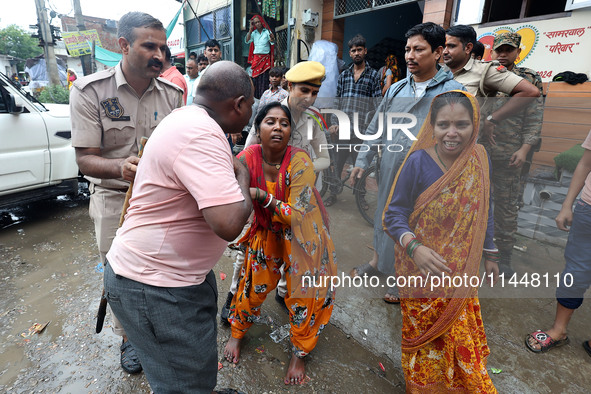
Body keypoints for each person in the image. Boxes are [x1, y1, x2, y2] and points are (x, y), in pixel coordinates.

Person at [104, 61, 254, 393]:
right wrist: (243, 177)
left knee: (182, 371)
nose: (252, 110)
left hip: (157, 280)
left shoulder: (186, 118)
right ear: (240, 104)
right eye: (252, 104)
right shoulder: (202, 133)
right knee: (182, 381)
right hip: (155, 288)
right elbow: (229, 224)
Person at [70, 11, 183, 374]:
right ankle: (128, 338)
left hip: (159, 201)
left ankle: (159, 331)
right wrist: (122, 167)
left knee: (160, 271)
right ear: (123, 45)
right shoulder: (90, 91)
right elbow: (86, 160)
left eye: (163, 47)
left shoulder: (173, 95)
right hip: (112, 197)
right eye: (149, 46)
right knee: (120, 275)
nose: (160, 55)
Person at [384, 91, 499, 392]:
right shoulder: (417, 163)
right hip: (420, 273)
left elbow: (484, 209)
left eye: (461, 124)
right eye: (443, 124)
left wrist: (491, 254)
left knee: (460, 343)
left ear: (474, 126)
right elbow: (394, 214)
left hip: (461, 274)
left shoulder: (479, 160)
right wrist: (414, 248)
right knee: (425, 344)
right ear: (431, 127)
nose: (451, 133)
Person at [348, 22, 465, 304]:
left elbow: (460, 134)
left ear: (437, 52)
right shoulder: (396, 89)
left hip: (429, 174)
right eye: (407, 49)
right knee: (384, 216)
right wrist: (363, 159)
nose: (410, 56)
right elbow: (377, 125)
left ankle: (406, 280)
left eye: (419, 49)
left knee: (417, 224)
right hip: (390, 167)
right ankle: (378, 262)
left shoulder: (453, 91)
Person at [224, 101, 336, 385]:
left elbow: (297, 217)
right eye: (270, 122)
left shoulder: (301, 161)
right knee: (251, 285)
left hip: (304, 236)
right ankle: (237, 333)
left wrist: (262, 196)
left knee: (304, 298)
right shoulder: (246, 158)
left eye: (284, 123)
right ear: (258, 129)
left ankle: (300, 353)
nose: (277, 127)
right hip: (268, 231)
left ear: (290, 132)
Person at [220, 61, 331, 322]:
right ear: (289, 86)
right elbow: (247, 157)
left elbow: (325, 158)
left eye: (314, 93)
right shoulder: (271, 113)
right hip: (262, 195)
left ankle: (283, 290)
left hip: (296, 199)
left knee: (292, 246)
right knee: (253, 250)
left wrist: (300, 171)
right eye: (304, 90)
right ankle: (235, 296)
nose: (309, 98)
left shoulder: (313, 121)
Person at [525, 128, 591, 357]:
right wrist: (567, 204)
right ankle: (558, 330)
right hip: (588, 210)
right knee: (576, 272)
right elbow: (585, 163)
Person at [485, 32, 543, 274]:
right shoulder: (486, 76)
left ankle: (504, 255)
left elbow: (534, 119)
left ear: (518, 52)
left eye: (508, 50)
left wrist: (524, 149)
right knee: (477, 204)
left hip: (510, 156)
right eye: (499, 49)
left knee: (506, 208)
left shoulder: (528, 80)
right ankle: (480, 247)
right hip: (481, 153)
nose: (502, 54)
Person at [442, 25, 540, 147]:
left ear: (468, 48)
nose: (445, 51)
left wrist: (492, 118)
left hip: (466, 148)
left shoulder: (484, 71)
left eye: (451, 46)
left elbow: (531, 92)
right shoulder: (440, 72)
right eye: (443, 46)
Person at [325, 34, 381, 207]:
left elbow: (378, 103)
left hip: (361, 131)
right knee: (338, 163)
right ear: (350, 53)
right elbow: (337, 101)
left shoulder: (372, 76)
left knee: (360, 166)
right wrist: (334, 121)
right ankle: (333, 194)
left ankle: (361, 197)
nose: (356, 53)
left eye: (359, 50)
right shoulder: (344, 76)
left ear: (365, 51)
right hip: (342, 129)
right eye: (353, 50)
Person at [246, 14, 275, 99]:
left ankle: (265, 95)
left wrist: (272, 38)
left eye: (259, 22)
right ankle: (256, 96)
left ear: (262, 22)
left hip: (265, 58)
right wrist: (250, 30)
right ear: (253, 24)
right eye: (255, 23)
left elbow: (272, 42)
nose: (258, 24)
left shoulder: (267, 32)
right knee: (256, 78)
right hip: (256, 58)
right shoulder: (253, 33)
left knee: (265, 77)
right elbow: (247, 41)